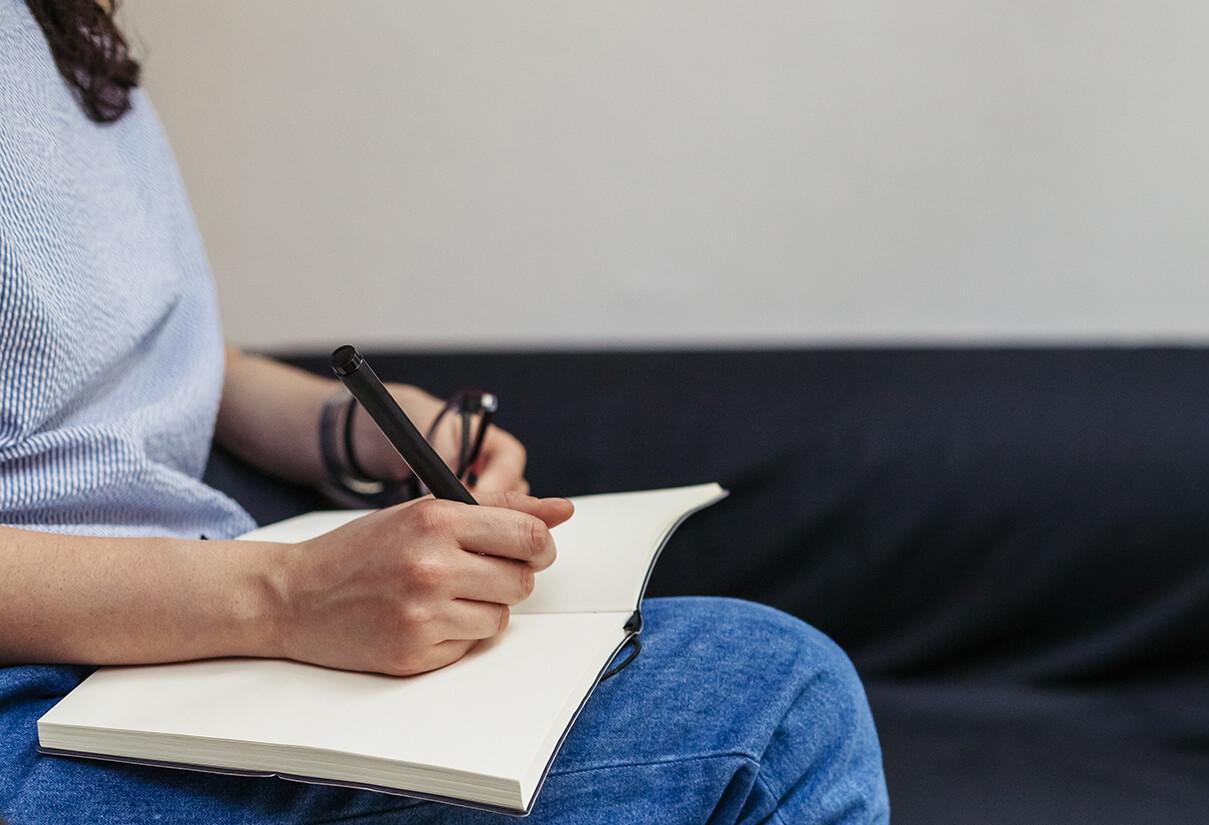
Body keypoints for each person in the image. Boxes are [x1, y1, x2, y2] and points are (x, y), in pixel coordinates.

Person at [0, 1, 890, 822]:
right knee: (780, 710)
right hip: (40, 699)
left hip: (177, 643)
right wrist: (285, 594)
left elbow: (177, 356)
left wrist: (370, 431)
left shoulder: (65, 36)